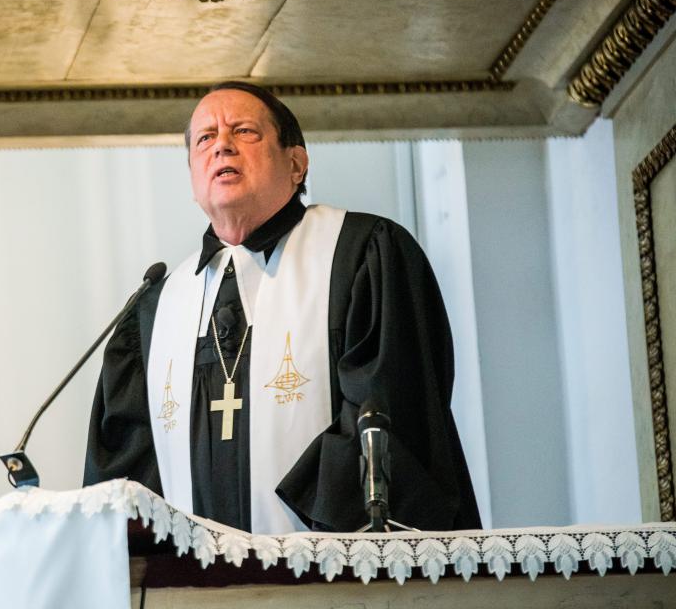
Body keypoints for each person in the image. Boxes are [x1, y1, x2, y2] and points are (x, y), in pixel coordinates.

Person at [83, 81, 481, 535]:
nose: (222, 146)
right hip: (196, 579)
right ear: (193, 179)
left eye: (244, 131)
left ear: (296, 164)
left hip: (328, 564)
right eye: (205, 139)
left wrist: (290, 535)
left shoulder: (360, 254)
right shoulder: (156, 308)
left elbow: (390, 411)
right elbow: (127, 474)